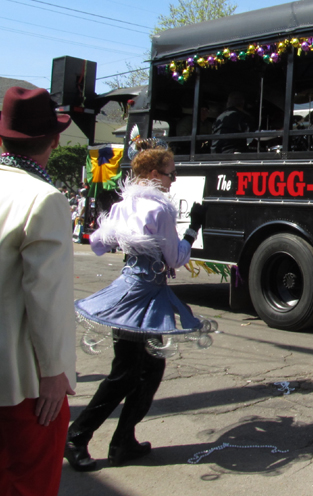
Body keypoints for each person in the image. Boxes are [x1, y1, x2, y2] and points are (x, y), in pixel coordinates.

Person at [65, 141, 214, 471]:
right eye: (170, 174)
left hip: (132, 288)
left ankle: (123, 441)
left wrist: (126, 233)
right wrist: (193, 227)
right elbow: (176, 257)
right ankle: (77, 436)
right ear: (152, 174)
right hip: (141, 296)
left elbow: (100, 245)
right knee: (126, 373)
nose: (173, 180)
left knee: (145, 369)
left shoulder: (124, 205)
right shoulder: (161, 210)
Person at [0, 86, 77, 496]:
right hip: (21, 380)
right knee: (29, 482)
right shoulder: (44, 199)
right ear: (54, 141)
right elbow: (46, 298)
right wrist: (53, 373)